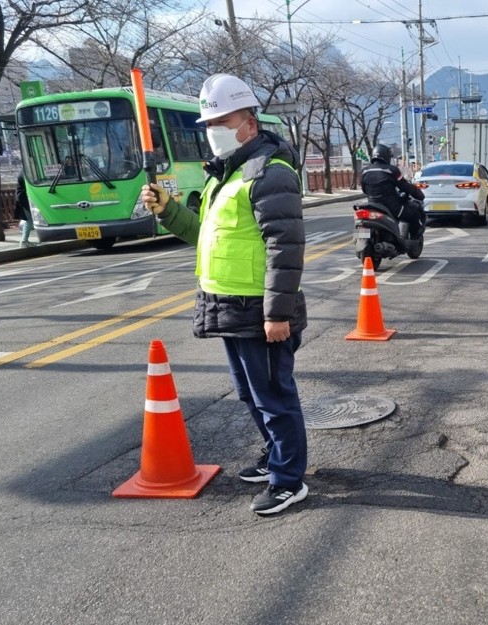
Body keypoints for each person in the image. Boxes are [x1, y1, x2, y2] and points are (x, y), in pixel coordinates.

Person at [139, 74, 308, 517]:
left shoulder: (271, 172)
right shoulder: (223, 176)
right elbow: (204, 235)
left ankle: (289, 480)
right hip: (228, 305)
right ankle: (275, 456)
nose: (212, 128)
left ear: (249, 123)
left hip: (260, 309)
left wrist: (278, 314)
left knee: (274, 397)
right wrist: (168, 211)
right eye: (208, 121)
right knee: (250, 394)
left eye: (221, 119)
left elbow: (285, 248)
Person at [360, 144, 425, 241]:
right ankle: (411, 240)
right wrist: (418, 193)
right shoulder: (392, 170)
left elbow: (364, 190)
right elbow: (405, 186)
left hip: (371, 205)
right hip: (391, 207)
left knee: (361, 224)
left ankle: (361, 238)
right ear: (386, 156)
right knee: (413, 210)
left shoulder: (364, 171)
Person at [14, 172, 35, 247]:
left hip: (21, 198)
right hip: (23, 199)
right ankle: (24, 241)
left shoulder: (22, 172)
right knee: (29, 219)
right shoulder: (25, 172)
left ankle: (22, 230)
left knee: (28, 218)